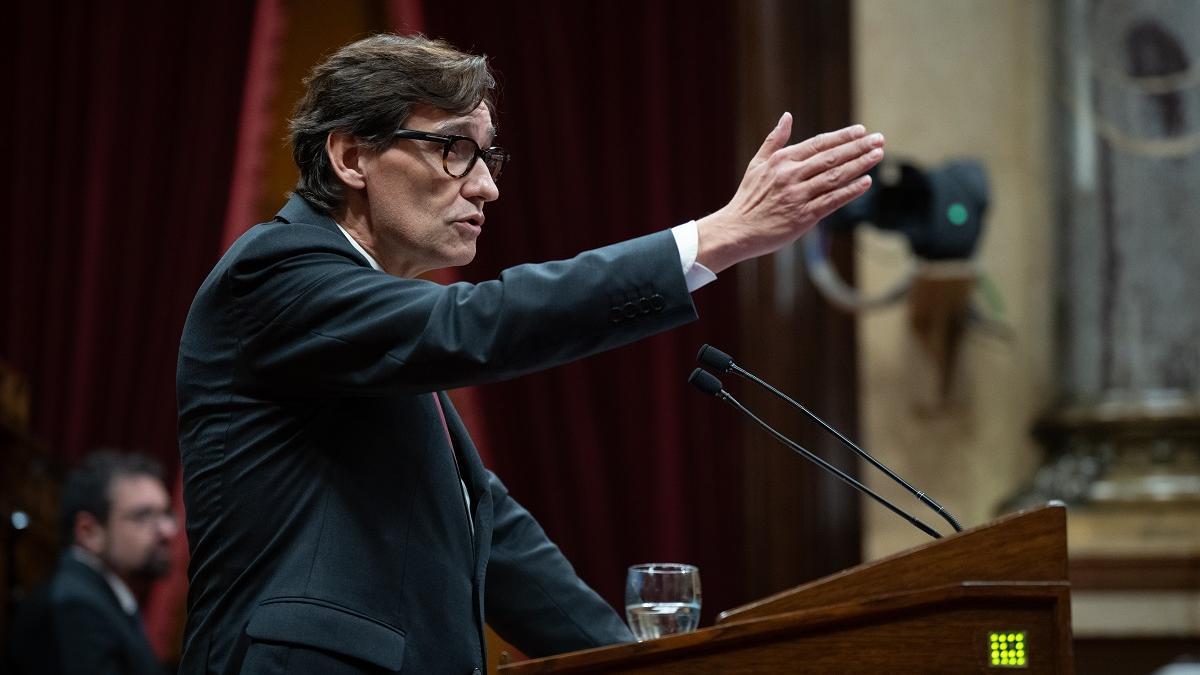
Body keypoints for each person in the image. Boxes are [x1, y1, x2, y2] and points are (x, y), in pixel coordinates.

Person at [176, 33, 883, 674]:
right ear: (352, 155)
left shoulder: (369, 324)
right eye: (454, 148)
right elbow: (476, 321)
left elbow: (497, 541)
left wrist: (632, 665)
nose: (486, 185)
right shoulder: (273, 272)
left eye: (488, 156)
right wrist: (713, 239)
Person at [6, 450, 176, 675]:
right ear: (89, 532)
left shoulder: (96, 597)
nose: (168, 530)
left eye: (166, 514)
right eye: (144, 515)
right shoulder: (76, 606)